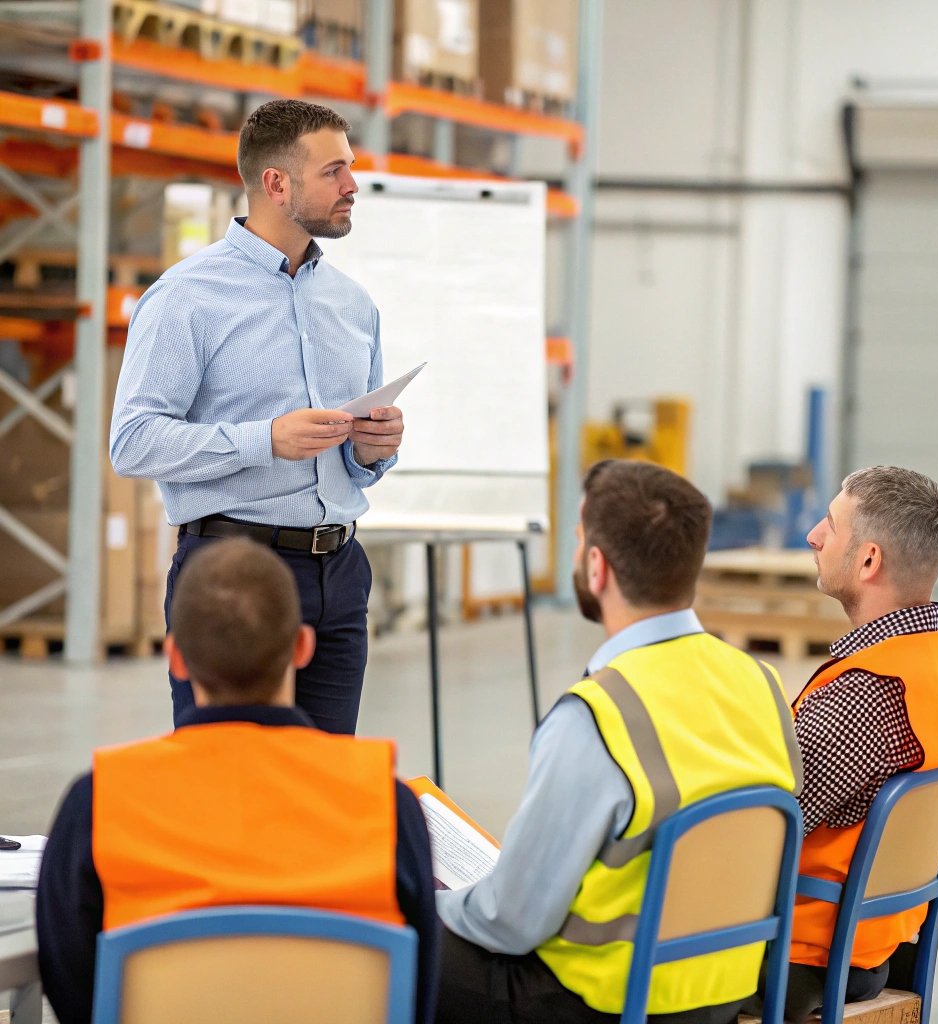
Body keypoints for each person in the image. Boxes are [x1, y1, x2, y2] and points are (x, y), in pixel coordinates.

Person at [435, 459, 802, 1024]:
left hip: (603, 1000)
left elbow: (511, 922)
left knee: (392, 939)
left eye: (581, 540)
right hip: (723, 989)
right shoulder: (765, 686)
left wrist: (431, 902)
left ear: (597, 568)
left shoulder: (597, 716)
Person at [36, 539, 439, 1024]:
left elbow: (72, 987)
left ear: (176, 656)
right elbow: (414, 994)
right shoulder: (385, 802)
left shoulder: (100, 800)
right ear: (303, 646)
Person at [110, 98, 404, 734]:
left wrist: (373, 449)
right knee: (228, 788)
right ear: (276, 184)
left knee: (325, 785)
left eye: (350, 168)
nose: (353, 185)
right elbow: (133, 442)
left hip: (341, 571)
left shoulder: (352, 306)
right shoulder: (186, 298)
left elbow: (352, 457)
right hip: (231, 575)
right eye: (333, 171)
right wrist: (264, 439)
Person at [783, 466, 938, 1022]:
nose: (813, 536)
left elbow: (761, 832)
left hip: (799, 955)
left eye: (830, 524)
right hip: (875, 945)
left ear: (869, 560)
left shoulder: (862, 696)